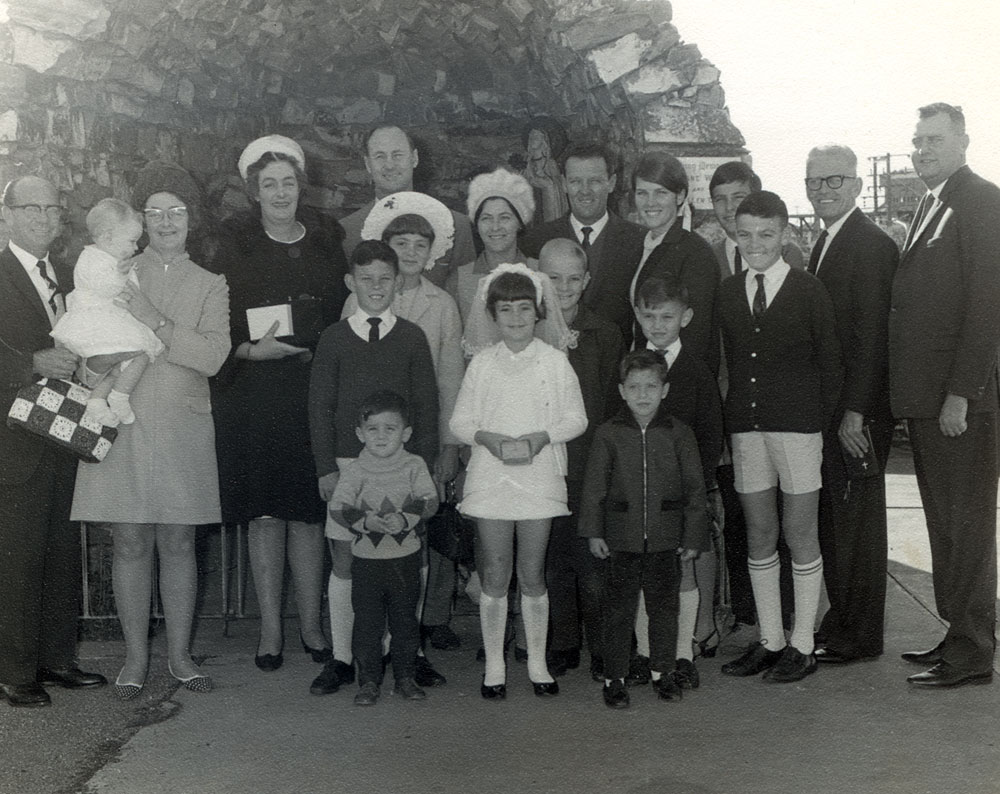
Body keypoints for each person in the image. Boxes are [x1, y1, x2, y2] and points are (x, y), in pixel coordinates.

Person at [71, 161, 231, 698]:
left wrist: (153, 317)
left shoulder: (211, 284)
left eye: (177, 212)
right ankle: (135, 660)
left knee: (180, 541)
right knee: (131, 541)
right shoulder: (109, 268)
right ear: (139, 218)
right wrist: (92, 369)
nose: (165, 222)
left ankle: (181, 657)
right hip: (125, 422)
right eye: (155, 211)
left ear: (192, 219)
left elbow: (211, 356)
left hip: (184, 425)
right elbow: (85, 337)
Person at [210, 135, 348, 673]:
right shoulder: (235, 248)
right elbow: (215, 325)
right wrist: (249, 350)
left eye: (288, 183)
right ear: (254, 192)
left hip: (310, 393)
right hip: (254, 393)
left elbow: (341, 311)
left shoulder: (324, 242)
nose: (280, 193)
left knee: (309, 515)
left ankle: (311, 626)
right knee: (266, 515)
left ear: (300, 187)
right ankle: (270, 628)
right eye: (269, 185)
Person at [890, 103, 1000, 689]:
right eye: (916, 140)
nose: (921, 149)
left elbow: (987, 306)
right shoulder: (934, 202)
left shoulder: (981, 201)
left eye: (933, 139)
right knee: (946, 528)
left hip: (960, 405)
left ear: (963, 140)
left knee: (969, 529)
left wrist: (962, 393)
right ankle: (959, 633)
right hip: (930, 404)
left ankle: (975, 651)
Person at [717, 191, 841, 683]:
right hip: (747, 430)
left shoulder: (809, 291)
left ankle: (803, 644)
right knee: (760, 533)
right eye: (744, 234)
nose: (755, 244)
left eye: (766, 234)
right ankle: (769, 639)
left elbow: (831, 366)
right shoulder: (728, 292)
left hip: (798, 429)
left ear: (785, 234)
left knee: (800, 532)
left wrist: (823, 427)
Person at [308, 240, 439, 696]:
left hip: (404, 466)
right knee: (347, 559)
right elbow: (320, 407)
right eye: (367, 279)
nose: (377, 287)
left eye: (386, 278)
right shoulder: (334, 338)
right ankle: (344, 658)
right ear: (352, 282)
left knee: (406, 556)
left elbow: (426, 404)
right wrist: (327, 467)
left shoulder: (412, 337)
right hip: (350, 465)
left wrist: (423, 468)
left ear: (398, 282)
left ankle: (409, 655)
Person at [450, 265, 587, 700]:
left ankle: (538, 663)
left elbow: (576, 418)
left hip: (538, 475)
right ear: (491, 314)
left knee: (532, 572)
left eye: (524, 308)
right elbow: (460, 422)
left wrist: (541, 436)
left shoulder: (554, 362)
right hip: (492, 477)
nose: (515, 318)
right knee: (494, 571)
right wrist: (486, 438)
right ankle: (494, 665)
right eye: (505, 309)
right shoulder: (483, 365)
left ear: (538, 312)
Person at [0, 175, 109, 707]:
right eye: (31, 208)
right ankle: (14, 671)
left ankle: (56, 659)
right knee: (17, 557)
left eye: (51, 208)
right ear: (7, 215)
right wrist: (28, 364)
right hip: (13, 438)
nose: (43, 218)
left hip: (64, 433)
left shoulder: (67, 276)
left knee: (62, 551)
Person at [352, 191, 463, 660]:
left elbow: (450, 377)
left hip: (425, 432)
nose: (411, 253)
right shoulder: (363, 299)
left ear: (432, 251)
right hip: (378, 439)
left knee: (426, 520)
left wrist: (449, 443)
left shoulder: (442, 305)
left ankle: (430, 618)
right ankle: (378, 629)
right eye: (401, 244)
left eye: (421, 244)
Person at [803, 144, 898, 664]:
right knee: (839, 523)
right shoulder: (827, 240)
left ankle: (859, 636)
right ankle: (842, 621)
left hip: (856, 415)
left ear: (858, 185)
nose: (822, 190)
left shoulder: (871, 244)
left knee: (858, 526)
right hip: (838, 409)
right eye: (814, 181)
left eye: (833, 181)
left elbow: (873, 336)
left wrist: (856, 411)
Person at [579, 350, 710, 709]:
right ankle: (615, 677)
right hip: (620, 540)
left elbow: (695, 489)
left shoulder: (679, 434)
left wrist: (692, 536)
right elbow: (594, 488)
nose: (642, 394)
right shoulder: (608, 433)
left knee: (664, 609)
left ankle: (662, 673)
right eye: (634, 387)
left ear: (665, 390)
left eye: (651, 386)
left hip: (666, 539)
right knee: (618, 610)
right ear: (621, 391)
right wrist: (594, 532)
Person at [537, 238, 625, 681]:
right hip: (543, 465)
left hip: (590, 464)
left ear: (587, 280)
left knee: (593, 561)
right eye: (553, 278)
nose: (564, 287)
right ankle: (563, 642)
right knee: (554, 561)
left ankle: (601, 647)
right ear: (539, 278)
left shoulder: (605, 335)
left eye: (573, 278)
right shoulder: (528, 332)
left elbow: (612, 406)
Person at [632, 277, 724, 689]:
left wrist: (697, 491)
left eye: (667, 316)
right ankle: (646, 651)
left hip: (683, 493)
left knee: (682, 569)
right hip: (638, 492)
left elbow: (710, 436)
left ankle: (683, 651)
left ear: (685, 318)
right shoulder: (631, 367)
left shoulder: (698, 373)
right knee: (640, 570)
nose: (657, 324)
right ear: (637, 315)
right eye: (648, 315)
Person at [327, 391, 439, 706]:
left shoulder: (414, 465)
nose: (380, 436)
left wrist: (406, 518)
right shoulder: (355, 470)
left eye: (390, 429)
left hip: (405, 562)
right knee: (367, 625)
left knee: (405, 622)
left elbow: (430, 501)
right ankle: (369, 681)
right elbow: (338, 508)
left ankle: (405, 677)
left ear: (406, 433)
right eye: (372, 429)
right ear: (360, 434)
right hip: (366, 563)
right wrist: (365, 522)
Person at [51, 198, 163, 426]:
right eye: (131, 241)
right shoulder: (92, 258)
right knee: (140, 351)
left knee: (127, 361)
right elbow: (105, 288)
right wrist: (122, 274)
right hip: (99, 319)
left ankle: (99, 399)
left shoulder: (112, 257)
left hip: (113, 317)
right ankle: (119, 395)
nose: (135, 247)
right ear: (107, 238)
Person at [520, 142, 646, 346]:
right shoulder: (536, 240)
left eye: (595, 181)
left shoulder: (639, 241)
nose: (585, 191)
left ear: (611, 183)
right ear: (563, 184)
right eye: (576, 181)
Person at [339, 125, 475, 288]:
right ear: (368, 164)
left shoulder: (456, 225)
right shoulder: (346, 231)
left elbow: (466, 298)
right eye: (380, 156)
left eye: (397, 155)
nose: (389, 165)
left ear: (414, 158)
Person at [628, 150, 720, 375]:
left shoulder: (695, 253)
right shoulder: (641, 244)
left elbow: (696, 337)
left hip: (675, 381)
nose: (650, 203)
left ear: (680, 196)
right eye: (642, 193)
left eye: (660, 193)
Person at [445, 167, 536, 323]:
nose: (495, 227)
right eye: (486, 218)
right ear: (477, 224)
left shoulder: (539, 271)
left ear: (520, 223)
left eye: (505, 218)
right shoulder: (459, 281)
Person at [708, 161, 804, 281]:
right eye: (720, 199)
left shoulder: (786, 252)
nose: (729, 207)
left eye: (738, 197)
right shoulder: (708, 256)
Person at [521, 117, 569, 224]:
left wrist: (539, 180)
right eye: (530, 136)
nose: (532, 139)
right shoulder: (527, 164)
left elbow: (554, 187)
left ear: (544, 141)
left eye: (536, 137)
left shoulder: (550, 163)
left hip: (547, 208)